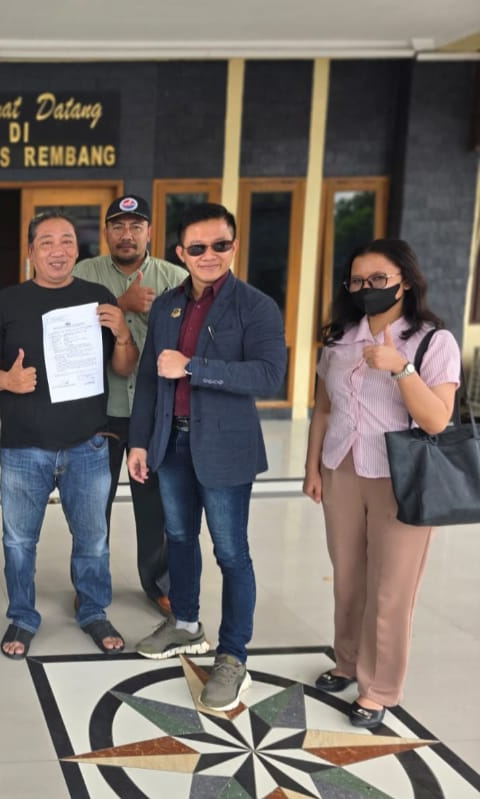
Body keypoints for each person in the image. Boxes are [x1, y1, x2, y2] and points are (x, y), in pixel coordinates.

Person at [128, 202, 286, 712]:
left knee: (231, 552)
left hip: (224, 447)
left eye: (220, 245)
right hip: (171, 443)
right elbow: (150, 377)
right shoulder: (167, 306)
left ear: (234, 246)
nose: (209, 255)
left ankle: (233, 655)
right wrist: (138, 441)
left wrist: (195, 367)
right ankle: (185, 623)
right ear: (181, 252)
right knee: (177, 536)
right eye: (197, 247)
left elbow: (269, 375)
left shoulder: (255, 306)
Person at [303, 238, 459, 728]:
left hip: (402, 477)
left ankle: (379, 688)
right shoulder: (339, 340)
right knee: (348, 579)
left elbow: (437, 420)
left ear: (404, 282)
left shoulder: (434, 341)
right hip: (342, 468)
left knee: (390, 590)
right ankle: (347, 662)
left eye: (378, 279)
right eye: (357, 281)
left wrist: (402, 369)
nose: (366, 288)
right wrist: (312, 468)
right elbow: (323, 410)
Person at [0, 211, 136, 659]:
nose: (58, 251)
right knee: (19, 542)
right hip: (24, 449)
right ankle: (23, 617)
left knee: (93, 540)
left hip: (88, 445)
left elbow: (123, 368)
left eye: (66, 241)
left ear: (77, 250)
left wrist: (123, 334)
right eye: (46, 242)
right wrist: (6, 381)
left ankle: (94, 611)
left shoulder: (97, 298)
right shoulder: (6, 302)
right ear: (31, 252)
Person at [74, 195, 188, 616]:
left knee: (155, 505)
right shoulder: (83, 274)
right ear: (106, 232)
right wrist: (122, 304)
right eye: (118, 226)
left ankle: (159, 584)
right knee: (92, 505)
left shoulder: (176, 278)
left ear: (149, 232)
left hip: (155, 412)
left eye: (135, 226)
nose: (127, 235)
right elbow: (64, 329)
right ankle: (89, 584)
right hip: (97, 410)